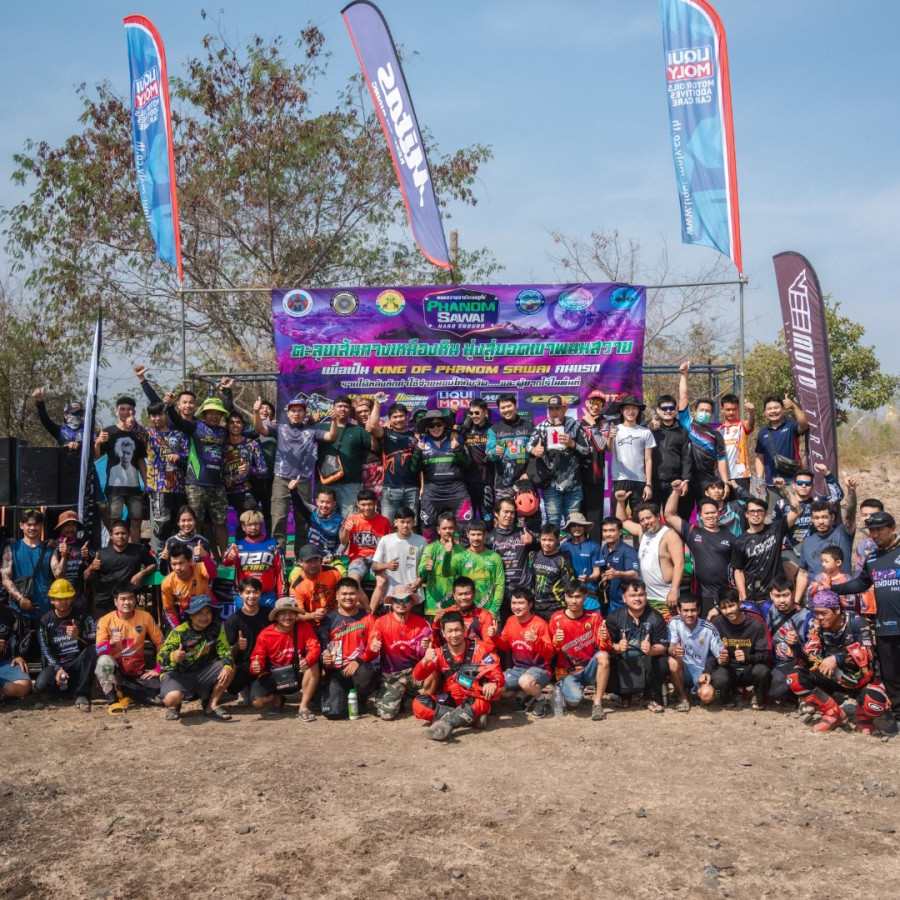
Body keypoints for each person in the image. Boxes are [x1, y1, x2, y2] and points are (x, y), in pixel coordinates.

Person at [785, 590, 890, 734]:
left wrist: (838, 658)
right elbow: (810, 660)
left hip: (863, 680)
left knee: (874, 703)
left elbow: (868, 654)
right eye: (816, 613)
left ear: (837, 609)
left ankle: (863, 715)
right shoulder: (818, 627)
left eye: (823, 613)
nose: (819, 617)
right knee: (795, 678)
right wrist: (795, 646)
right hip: (836, 678)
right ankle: (833, 714)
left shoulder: (857, 622)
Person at [830, 511, 900, 716]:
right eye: (872, 531)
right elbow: (860, 584)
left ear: (893, 529)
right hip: (885, 626)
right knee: (890, 674)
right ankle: (898, 714)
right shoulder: (873, 558)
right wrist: (833, 588)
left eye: (880, 530)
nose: (875, 535)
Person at [412, 610, 504, 741]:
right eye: (449, 631)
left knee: (483, 702)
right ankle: (468, 718)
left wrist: (493, 683)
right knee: (418, 705)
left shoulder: (480, 649)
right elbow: (417, 676)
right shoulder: (438, 653)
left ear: (464, 630)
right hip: (447, 702)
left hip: (472, 699)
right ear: (443, 633)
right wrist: (425, 661)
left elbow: (496, 671)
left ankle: (447, 722)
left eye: (457, 630)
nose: (454, 635)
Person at [166, 393, 234, 556]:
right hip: (195, 483)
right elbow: (177, 421)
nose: (214, 416)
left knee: (220, 522)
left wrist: (226, 391)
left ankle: (225, 557)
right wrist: (170, 406)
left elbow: (232, 415)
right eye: (210, 412)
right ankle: (195, 556)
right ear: (204, 414)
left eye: (218, 413)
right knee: (196, 522)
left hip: (217, 485)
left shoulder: (224, 432)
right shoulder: (195, 426)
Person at [254, 394, 319, 557]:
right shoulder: (280, 428)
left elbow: (331, 436)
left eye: (300, 411)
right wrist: (255, 413)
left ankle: (302, 556)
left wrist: (332, 421)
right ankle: (279, 557)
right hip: (281, 478)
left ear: (304, 414)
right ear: (288, 413)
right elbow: (260, 429)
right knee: (278, 519)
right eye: (293, 411)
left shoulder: (311, 431)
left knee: (303, 520)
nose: (296, 413)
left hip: (303, 480)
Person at [158, 594, 235, 721]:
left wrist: (227, 666)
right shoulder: (179, 632)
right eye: (200, 613)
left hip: (202, 672)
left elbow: (225, 651)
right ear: (191, 615)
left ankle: (211, 705)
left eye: (208, 612)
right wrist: (173, 656)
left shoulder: (217, 628)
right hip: (177, 675)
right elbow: (160, 658)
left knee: (230, 667)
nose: (204, 617)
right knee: (171, 699)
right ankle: (175, 706)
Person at [127, 401, 190, 554]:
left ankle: (180, 555)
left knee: (180, 522)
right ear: (149, 418)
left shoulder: (179, 434)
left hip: (179, 487)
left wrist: (178, 456)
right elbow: (137, 429)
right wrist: (131, 420)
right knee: (162, 524)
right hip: (159, 486)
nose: (156, 418)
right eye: (153, 416)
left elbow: (188, 455)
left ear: (166, 415)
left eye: (159, 414)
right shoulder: (149, 434)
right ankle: (160, 556)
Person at [664, 486, 735, 617]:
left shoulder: (730, 536)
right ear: (700, 516)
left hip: (725, 594)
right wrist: (676, 491)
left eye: (713, 512)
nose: (710, 516)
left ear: (719, 513)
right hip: (702, 594)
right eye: (706, 513)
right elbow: (669, 515)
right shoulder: (692, 532)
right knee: (704, 628)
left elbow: (737, 568)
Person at [361, 591, 431, 720]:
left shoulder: (421, 623)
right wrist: (372, 648)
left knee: (435, 672)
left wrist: (426, 647)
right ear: (392, 603)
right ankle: (390, 695)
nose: (401, 603)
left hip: (415, 673)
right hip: (392, 674)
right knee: (387, 715)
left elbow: (426, 653)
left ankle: (428, 703)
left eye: (406, 600)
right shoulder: (381, 622)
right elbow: (370, 654)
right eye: (397, 600)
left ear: (411, 603)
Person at [248, 596, 321, 721]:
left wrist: (307, 660)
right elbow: (256, 658)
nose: (288, 616)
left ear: (297, 615)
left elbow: (314, 647)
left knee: (313, 664)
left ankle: (303, 706)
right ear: (276, 616)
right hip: (274, 675)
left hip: (297, 671)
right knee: (257, 702)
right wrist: (256, 666)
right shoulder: (265, 635)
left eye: (291, 612)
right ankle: (277, 698)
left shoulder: (304, 626)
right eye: (283, 613)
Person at [550, 583, 612, 719]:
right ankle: (564, 689)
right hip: (567, 672)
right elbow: (550, 652)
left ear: (585, 597)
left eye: (577, 597)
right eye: (570, 596)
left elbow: (605, 648)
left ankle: (597, 704)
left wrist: (605, 638)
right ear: (565, 597)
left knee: (603, 656)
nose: (574, 601)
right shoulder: (556, 618)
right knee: (574, 702)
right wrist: (557, 641)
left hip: (588, 669)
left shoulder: (594, 617)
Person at [317, 578, 377, 719]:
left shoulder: (368, 617)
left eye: (352, 593)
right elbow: (321, 646)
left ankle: (361, 698)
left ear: (358, 595)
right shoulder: (328, 619)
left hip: (360, 666)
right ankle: (337, 695)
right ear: (337, 596)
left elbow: (373, 648)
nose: (348, 597)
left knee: (365, 676)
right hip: (336, 670)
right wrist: (324, 656)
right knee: (334, 714)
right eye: (344, 594)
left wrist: (358, 661)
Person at [95, 585, 163, 708]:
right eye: (123, 599)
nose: (127, 602)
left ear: (135, 600)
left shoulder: (145, 616)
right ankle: (112, 699)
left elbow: (160, 642)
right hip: (115, 671)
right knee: (104, 661)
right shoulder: (105, 620)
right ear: (115, 602)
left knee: (159, 690)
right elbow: (98, 650)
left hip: (136, 670)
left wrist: (158, 668)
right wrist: (110, 642)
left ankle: (124, 690)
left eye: (131, 598)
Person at [605, 580, 669, 712]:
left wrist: (651, 650)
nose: (637, 599)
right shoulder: (614, 617)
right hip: (622, 660)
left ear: (646, 596)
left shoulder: (656, 617)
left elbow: (663, 646)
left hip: (646, 659)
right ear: (624, 598)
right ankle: (623, 696)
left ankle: (649, 697)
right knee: (603, 660)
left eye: (640, 595)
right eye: (632, 596)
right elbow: (607, 645)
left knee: (662, 662)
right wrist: (617, 647)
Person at [616, 495, 684, 619]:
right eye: (642, 520)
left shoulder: (670, 535)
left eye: (648, 518)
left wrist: (674, 591)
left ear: (658, 516)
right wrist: (621, 501)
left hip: (665, 598)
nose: (646, 522)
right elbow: (622, 521)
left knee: (666, 631)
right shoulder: (642, 532)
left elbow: (679, 564)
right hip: (645, 597)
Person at [527, 395, 590, 526]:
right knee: (553, 522)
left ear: (565, 409)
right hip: (551, 485)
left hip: (574, 485)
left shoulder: (575, 425)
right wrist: (535, 450)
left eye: (558, 408)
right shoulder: (541, 427)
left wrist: (572, 443)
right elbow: (528, 446)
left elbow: (586, 450)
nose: (554, 412)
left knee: (573, 524)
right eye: (551, 408)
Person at [35, 579, 96, 710]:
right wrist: (58, 668)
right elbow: (45, 649)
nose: (63, 602)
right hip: (58, 663)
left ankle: (82, 694)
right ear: (52, 600)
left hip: (78, 660)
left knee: (92, 650)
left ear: (72, 598)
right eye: (58, 599)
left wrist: (79, 635)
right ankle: (66, 690)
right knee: (40, 685)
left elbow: (94, 638)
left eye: (66, 598)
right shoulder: (45, 621)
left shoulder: (83, 615)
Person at [411, 410, 472, 541]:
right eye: (431, 425)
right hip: (432, 492)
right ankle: (433, 554)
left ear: (444, 425)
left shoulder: (456, 439)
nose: (435, 428)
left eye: (438, 424)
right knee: (428, 530)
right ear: (427, 427)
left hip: (457, 491)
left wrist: (458, 449)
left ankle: (464, 554)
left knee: (466, 528)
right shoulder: (422, 443)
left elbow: (468, 465)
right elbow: (414, 469)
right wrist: (417, 452)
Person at [772, 465, 844, 575]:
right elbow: (774, 529)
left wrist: (826, 473)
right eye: (800, 483)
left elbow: (838, 496)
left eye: (807, 483)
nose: (804, 486)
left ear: (813, 486)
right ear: (794, 485)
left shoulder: (818, 502)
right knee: (790, 569)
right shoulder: (781, 504)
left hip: (815, 546)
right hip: (788, 548)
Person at [493, 588, 554, 715]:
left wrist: (536, 641)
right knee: (496, 687)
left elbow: (550, 653)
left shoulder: (540, 624)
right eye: (514, 603)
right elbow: (504, 647)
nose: (516, 607)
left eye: (521, 603)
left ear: (530, 604)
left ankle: (540, 699)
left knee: (525, 681)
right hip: (519, 669)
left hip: (540, 669)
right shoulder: (510, 621)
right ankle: (525, 694)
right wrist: (494, 636)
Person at [95, 396, 148, 543]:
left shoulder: (138, 434)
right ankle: (115, 550)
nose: (126, 412)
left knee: (136, 520)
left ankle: (135, 549)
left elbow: (141, 460)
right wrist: (98, 443)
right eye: (122, 409)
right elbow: (95, 456)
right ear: (116, 412)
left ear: (134, 412)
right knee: (115, 521)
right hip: (114, 487)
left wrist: (146, 483)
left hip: (134, 486)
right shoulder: (109, 432)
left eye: (129, 409)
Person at [794, 484, 858, 603]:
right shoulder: (807, 542)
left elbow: (850, 514)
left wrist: (851, 491)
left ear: (832, 517)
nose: (821, 521)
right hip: (816, 602)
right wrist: (796, 602)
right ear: (812, 519)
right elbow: (803, 573)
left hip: (842, 599)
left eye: (824, 517)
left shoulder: (843, 533)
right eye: (816, 518)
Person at [2, 508, 61, 637]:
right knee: (18, 647)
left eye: (36, 524)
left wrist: (65, 558)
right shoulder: (11, 549)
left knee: (46, 646)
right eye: (29, 524)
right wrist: (20, 599)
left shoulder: (50, 549)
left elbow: (58, 574)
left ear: (41, 526)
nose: (32, 528)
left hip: (45, 608)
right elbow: (5, 578)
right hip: (18, 610)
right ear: (21, 525)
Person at [710, 587, 772, 709]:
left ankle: (758, 696)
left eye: (731, 606)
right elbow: (709, 652)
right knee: (719, 678)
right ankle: (728, 696)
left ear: (739, 604)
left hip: (749, 668)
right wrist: (720, 659)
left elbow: (765, 654)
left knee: (762, 671)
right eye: (724, 608)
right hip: (728, 669)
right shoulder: (716, 623)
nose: (728, 611)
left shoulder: (756, 624)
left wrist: (747, 657)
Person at [731, 496, 797, 607]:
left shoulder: (776, 529)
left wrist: (784, 489)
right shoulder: (739, 542)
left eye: (759, 511)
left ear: (766, 513)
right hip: (754, 596)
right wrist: (744, 598)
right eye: (752, 511)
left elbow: (797, 510)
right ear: (746, 514)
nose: (756, 514)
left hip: (777, 594)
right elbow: (738, 571)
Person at [677, 363, 729, 503]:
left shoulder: (716, 435)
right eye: (701, 410)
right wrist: (683, 375)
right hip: (686, 479)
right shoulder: (687, 424)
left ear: (712, 414)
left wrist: (725, 482)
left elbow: (721, 460)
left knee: (708, 512)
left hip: (707, 481)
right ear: (695, 412)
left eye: (708, 411)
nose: (704, 413)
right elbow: (683, 397)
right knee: (682, 514)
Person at [316, 395, 374, 517]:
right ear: (333, 408)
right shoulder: (321, 427)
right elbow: (302, 438)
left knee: (350, 520)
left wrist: (373, 430)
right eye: (339, 406)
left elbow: (375, 447)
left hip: (351, 484)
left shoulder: (358, 430)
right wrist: (310, 422)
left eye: (346, 407)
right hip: (326, 483)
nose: (343, 409)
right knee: (324, 519)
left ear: (350, 410)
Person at [667, 595, 725, 710]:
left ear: (698, 610)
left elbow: (720, 658)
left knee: (707, 696)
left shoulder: (708, 628)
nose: (689, 614)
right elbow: (670, 647)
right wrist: (673, 650)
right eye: (685, 610)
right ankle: (683, 697)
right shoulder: (674, 622)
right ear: (679, 610)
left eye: (693, 610)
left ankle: (696, 692)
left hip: (700, 670)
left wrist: (724, 657)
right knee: (671, 661)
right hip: (683, 667)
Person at [367, 396, 419, 523]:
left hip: (412, 488)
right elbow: (373, 426)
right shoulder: (386, 433)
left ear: (407, 417)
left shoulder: (415, 436)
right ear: (389, 419)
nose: (398, 419)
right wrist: (377, 404)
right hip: (390, 488)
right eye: (395, 417)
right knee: (387, 524)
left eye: (401, 416)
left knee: (410, 525)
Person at [761, 575, 813, 702]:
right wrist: (718, 609)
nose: (782, 600)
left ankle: (805, 697)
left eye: (786, 595)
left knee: (781, 690)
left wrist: (797, 643)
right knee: (773, 693)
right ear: (771, 595)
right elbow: (742, 605)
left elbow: (813, 650)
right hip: (775, 662)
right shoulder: (767, 608)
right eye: (777, 596)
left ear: (793, 593)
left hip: (797, 662)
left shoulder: (807, 616)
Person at [222, 509, 285, 610]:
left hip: (267, 596)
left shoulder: (273, 544)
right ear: (243, 527)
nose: (253, 527)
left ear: (261, 525)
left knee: (268, 621)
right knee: (242, 621)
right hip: (244, 596)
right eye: (249, 525)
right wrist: (230, 557)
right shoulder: (236, 545)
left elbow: (280, 571)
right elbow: (226, 563)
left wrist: (281, 595)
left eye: (256, 524)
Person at [370, 507, 426, 614]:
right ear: (395, 522)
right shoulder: (386, 540)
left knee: (415, 624)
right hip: (392, 596)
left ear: (413, 523)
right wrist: (387, 565)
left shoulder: (421, 541)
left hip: (414, 596)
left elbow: (425, 568)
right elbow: (374, 566)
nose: (405, 525)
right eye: (402, 522)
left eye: (408, 522)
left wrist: (417, 583)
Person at [223, 577, 271, 704]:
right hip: (243, 665)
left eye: (255, 592)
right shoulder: (232, 620)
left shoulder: (269, 615)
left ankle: (258, 689)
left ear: (260, 593)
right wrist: (237, 646)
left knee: (258, 701)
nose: (252, 596)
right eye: (247, 592)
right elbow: (227, 653)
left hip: (264, 664)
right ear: (240, 594)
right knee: (232, 686)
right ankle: (243, 688)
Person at [417, 513, 473, 616]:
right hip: (434, 606)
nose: (447, 531)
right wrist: (426, 568)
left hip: (455, 605)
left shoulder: (462, 551)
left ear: (455, 529)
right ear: (438, 530)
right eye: (444, 528)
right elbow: (421, 574)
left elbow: (465, 578)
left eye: (451, 528)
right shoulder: (430, 548)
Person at [648, 393, 693, 519]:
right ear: (658, 410)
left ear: (676, 410)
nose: (668, 411)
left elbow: (686, 458)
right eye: (664, 408)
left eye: (671, 408)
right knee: (652, 517)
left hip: (674, 483)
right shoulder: (650, 428)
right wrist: (648, 428)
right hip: (653, 482)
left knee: (672, 518)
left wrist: (685, 480)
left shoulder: (682, 432)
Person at [340, 489, 391, 596]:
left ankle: (375, 605)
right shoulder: (351, 520)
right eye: (363, 505)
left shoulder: (384, 521)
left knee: (382, 582)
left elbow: (390, 544)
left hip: (377, 559)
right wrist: (346, 530)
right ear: (358, 504)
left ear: (375, 503)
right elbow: (343, 542)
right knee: (353, 582)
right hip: (358, 558)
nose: (367, 508)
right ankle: (366, 605)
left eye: (370, 504)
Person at [754, 394, 810, 489]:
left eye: (776, 408)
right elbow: (760, 458)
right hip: (770, 484)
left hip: (792, 482)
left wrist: (793, 407)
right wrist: (760, 479)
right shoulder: (762, 433)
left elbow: (804, 425)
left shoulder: (791, 425)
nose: (773, 411)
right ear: (765, 412)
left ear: (783, 409)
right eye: (769, 409)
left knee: (793, 500)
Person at [486, 393, 534, 502]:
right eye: (503, 407)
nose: (506, 410)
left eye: (509, 406)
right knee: (506, 512)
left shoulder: (530, 426)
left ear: (516, 405)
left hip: (526, 481)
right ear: (499, 409)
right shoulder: (494, 429)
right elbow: (488, 454)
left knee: (528, 511)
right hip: (504, 485)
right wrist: (494, 452)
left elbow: (535, 456)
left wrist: (529, 473)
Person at [607, 394, 655, 504]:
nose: (630, 411)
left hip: (640, 480)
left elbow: (648, 460)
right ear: (622, 411)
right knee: (617, 514)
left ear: (638, 411)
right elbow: (609, 450)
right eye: (627, 408)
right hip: (619, 479)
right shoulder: (615, 429)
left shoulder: (646, 432)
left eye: (634, 408)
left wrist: (648, 484)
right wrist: (610, 437)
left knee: (640, 513)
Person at [223, 411, 267, 527]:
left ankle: (242, 538)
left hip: (244, 490)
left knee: (252, 518)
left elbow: (264, 471)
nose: (235, 425)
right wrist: (223, 479)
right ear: (227, 425)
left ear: (243, 425)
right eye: (232, 422)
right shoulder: (222, 446)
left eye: (238, 422)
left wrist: (250, 470)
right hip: (221, 491)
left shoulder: (252, 445)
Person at [160, 544, 219, 630]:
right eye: (174, 564)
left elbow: (213, 575)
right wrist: (178, 629)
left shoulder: (200, 567)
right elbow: (169, 609)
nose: (177, 568)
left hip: (208, 612)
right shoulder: (167, 582)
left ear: (190, 561)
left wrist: (205, 556)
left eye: (181, 563)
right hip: (187, 615)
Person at [578, 389, 612, 536]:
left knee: (594, 519)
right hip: (577, 477)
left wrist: (592, 425)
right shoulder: (578, 423)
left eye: (600, 403)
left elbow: (602, 446)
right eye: (593, 402)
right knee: (578, 517)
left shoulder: (604, 423)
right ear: (587, 403)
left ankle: (594, 548)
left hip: (595, 476)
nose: (595, 406)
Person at [431, 576, 497, 647]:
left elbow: (489, 645)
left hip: (476, 652)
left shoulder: (484, 615)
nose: (463, 598)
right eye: (460, 594)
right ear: (454, 595)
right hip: (451, 653)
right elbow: (435, 645)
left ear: (474, 594)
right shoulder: (446, 613)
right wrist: (436, 622)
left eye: (467, 594)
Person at [458, 398, 495, 526]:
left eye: (477, 413)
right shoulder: (466, 430)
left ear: (485, 412)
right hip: (468, 482)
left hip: (486, 482)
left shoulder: (492, 429)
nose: (474, 416)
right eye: (471, 413)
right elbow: (450, 432)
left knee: (487, 517)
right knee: (469, 518)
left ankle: (489, 538)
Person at [532, 525, 578, 621]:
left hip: (556, 607)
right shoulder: (536, 555)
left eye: (550, 540)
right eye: (544, 540)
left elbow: (569, 586)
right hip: (537, 607)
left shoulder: (563, 560)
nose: (546, 543)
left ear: (557, 540)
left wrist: (568, 607)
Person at [459, 520, 505, 617]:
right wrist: (447, 555)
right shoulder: (460, 557)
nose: (476, 538)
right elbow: (449, 576)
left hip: (490, 613)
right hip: (467, 614)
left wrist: (493, 611)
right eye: (473, 534)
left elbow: (500, 585)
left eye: (479, 534)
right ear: (467, 534)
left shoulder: (495, 557)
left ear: (485, 534)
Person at [597, 516, 640, 614]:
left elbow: (635, 574)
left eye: (611, 530)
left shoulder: (628, 550)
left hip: (623, 603)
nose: (607, 534)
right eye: (605, 531)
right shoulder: (604, 548)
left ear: (620, 532)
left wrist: (618, 574)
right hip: (608, 602)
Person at [290, 545, 342, 624]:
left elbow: (344, 595)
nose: (313, 564)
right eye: (309, 561)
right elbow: (297, 615)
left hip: (335, 619)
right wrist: (312, 615)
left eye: (316, 560)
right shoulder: (296, 586)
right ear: (300, 562)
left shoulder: (333, 572)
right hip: (312, 625)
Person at [293, 486, 344, 561]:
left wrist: (333, 556)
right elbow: (299, 503)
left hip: (330, 558)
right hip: (310, 557)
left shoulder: (340, 521)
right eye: (322, 502)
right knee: (298, 569)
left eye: (328, 502)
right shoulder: (312, 512)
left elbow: (342, 543)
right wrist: (293, 490)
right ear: (317, 502)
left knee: (340, 569)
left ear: (334, 504)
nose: (324, 505)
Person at [716, 393, 755, 490]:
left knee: (743, 499)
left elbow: (750, 425)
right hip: (723, 476)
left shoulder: (742, 426)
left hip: (741, 475)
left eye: (734, 409)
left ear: (738, 409)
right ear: (721, 409)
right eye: (728, 409)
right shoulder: (717, 431)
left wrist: (751, 413)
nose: (731, 412)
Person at [51, 511, 90, 606]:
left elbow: (90, 573)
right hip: (59, 596)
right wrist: (64, 556)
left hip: (79, 596)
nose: (70, 529)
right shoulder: (54, 545)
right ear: (60, 527)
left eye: (73, 525)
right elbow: (58, 575)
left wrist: (86, 558)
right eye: (67, 525)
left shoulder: (84, 544)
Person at [159, 506, 211, 576]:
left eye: (190, 520)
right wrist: (163, 559)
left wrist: (205, 555)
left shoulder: (202, 541)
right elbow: (164, 572)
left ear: (195, 521)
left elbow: (212, 569)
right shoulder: (170, 542)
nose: (186, 524)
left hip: (198, 580)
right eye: (183, 521)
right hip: (177, 581)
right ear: (178, 522)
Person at [0, 604, 33, 702]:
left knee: (23, 687)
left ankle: (2, 692)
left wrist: (19, 655)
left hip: (4, 662)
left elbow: (25, 632)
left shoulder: (9, 613)